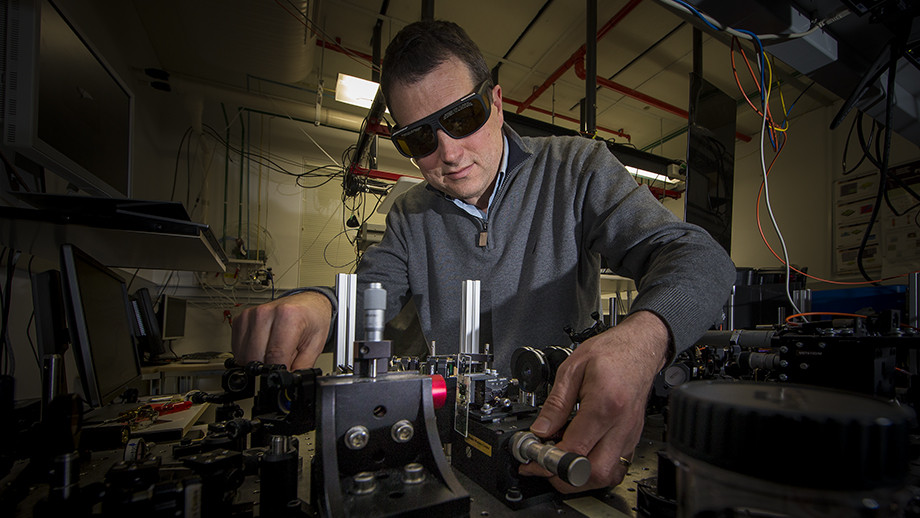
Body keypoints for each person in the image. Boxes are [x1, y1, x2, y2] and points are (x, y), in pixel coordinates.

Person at [232, 20, 736, 491]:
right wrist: (320, 306)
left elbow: (698, 256)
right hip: (451, 445)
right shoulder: (411, 214)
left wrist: (644, 340)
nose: (448, 153)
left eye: (461, 117)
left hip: (557, 437)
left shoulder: (575, 168)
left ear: (495, 102)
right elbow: (370, 295)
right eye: (420, 138)